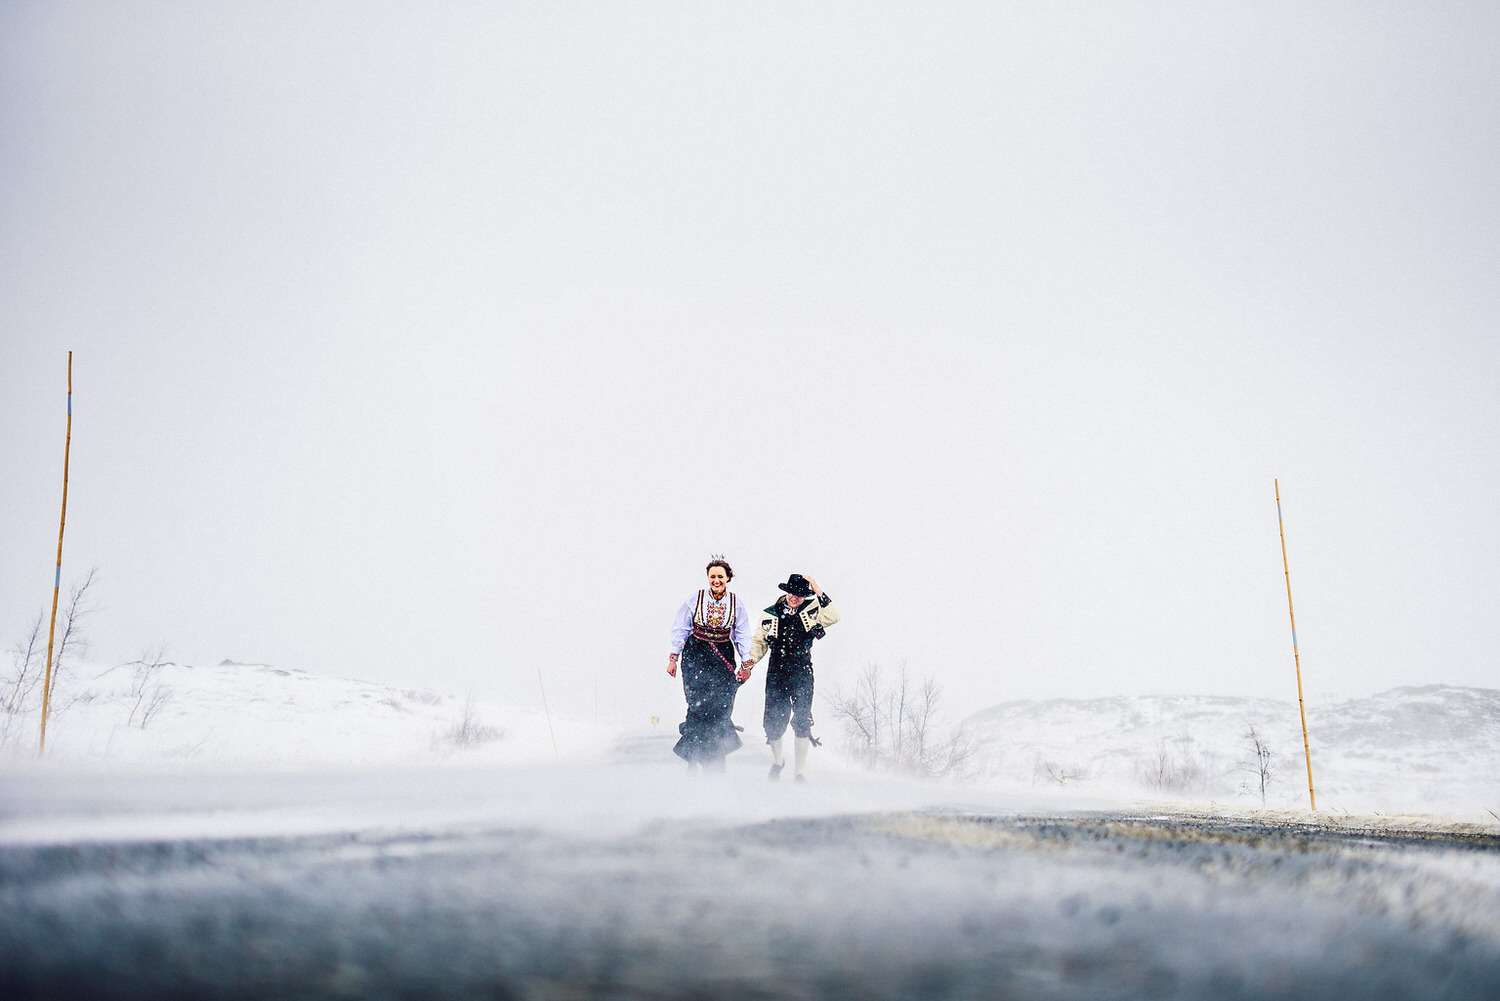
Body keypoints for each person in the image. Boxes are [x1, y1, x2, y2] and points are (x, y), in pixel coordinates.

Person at [749, 573, 840, 782]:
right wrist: (749, 664)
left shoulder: (812, 611)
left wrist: (818, 590)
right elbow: (759, 643)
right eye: (792, 593)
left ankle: (799, 773)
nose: (795, 597)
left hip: (802, 671)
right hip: (777, 671)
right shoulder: (770, 613)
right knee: (773, 721)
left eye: (800, 594)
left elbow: (835, 616)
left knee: (802, 719)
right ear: (786, 591)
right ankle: (778, 761)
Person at [667, 557, 754, 771]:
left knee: (721, 707)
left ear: (727, 578)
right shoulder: (695, 599)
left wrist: (746, 664)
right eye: (713, 576)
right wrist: (673, 658)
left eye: (720, 576)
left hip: (722, 654)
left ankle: (716, 758)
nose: (716, 580)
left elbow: (742, 633)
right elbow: (681, 627)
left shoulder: (736, 603)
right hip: (696, 653)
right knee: (697, 706)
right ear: (708, 578)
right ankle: (692, 758)